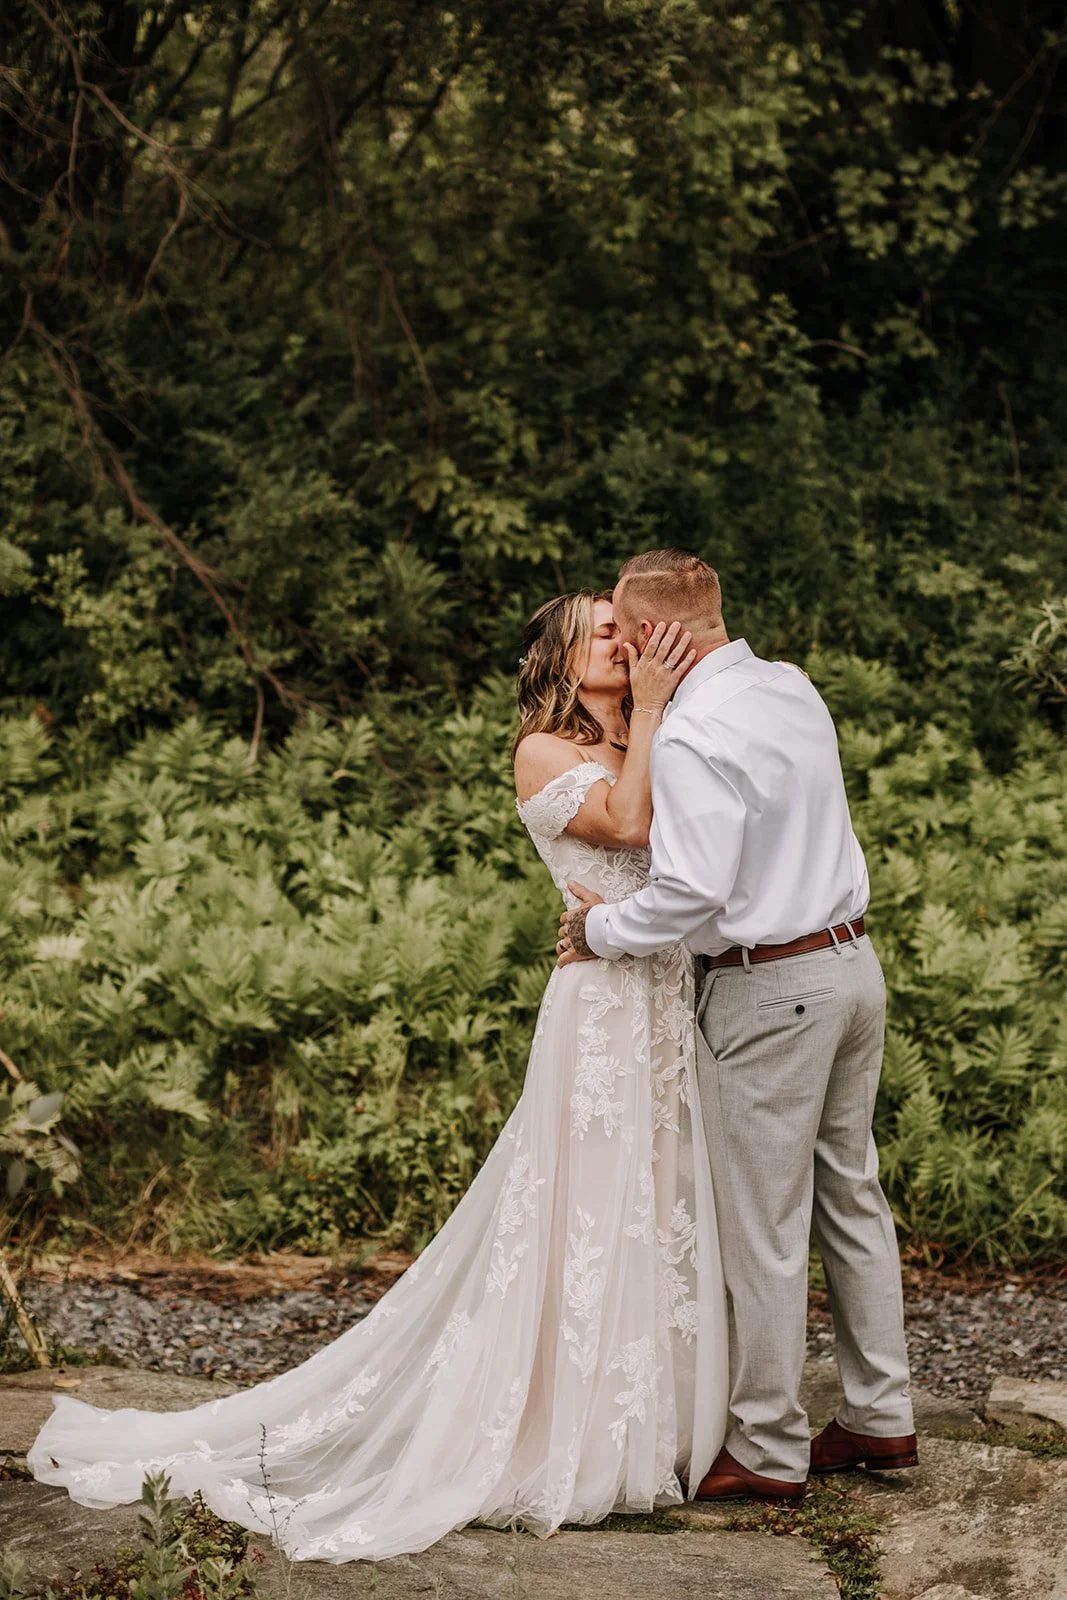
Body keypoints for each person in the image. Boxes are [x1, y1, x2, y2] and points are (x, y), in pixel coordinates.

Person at [27, 589, 730, 1563]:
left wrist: (659, 717)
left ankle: (651, 1423)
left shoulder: (649, 731)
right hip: (600, 1011)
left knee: (656, 1201)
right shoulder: (542, 750)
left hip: (662, 1003)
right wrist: (653, 708)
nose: (624, 639)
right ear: (563, 661)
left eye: (625, 624)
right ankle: (559, 1434)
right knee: (584, 1206)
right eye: (602, 630)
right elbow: (628, 821)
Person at [557, 549, 916, 1501]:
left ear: (646, 638)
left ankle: (765, 1447)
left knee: (762, 1226)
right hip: (851, 967)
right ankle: (881, 1419)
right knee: (850, 1196)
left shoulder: (687, 735)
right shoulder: (790, 688)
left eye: (621, 637)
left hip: (771, 989)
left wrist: (598, 927)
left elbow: (690, 891)